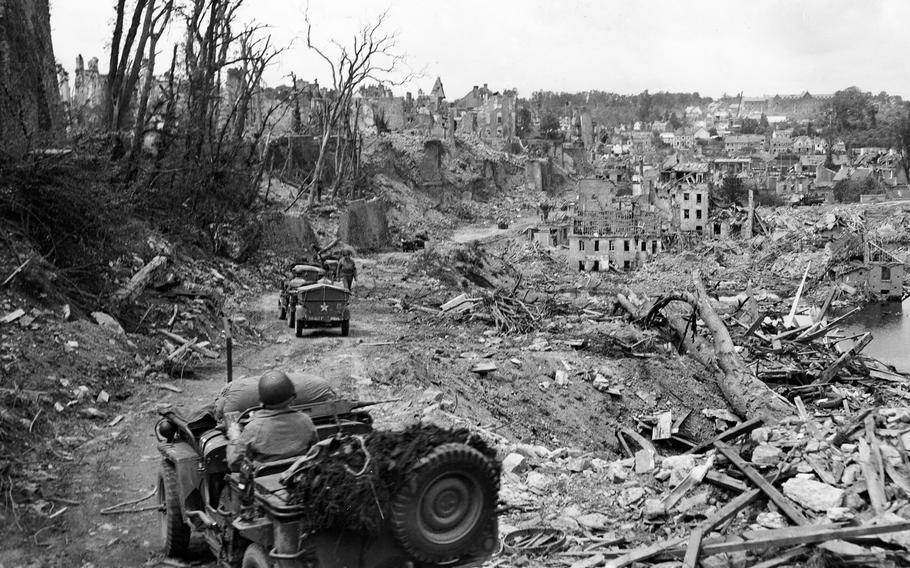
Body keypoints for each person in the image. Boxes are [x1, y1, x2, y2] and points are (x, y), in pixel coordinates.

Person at [225, 370, 318, 470]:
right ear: (292, 398)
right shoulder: (306, 421)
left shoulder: (253, 429)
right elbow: (315, 453)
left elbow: (235, 464)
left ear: (261, 401)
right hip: (298, 479)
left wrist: (235, 438)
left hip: (262, 482)